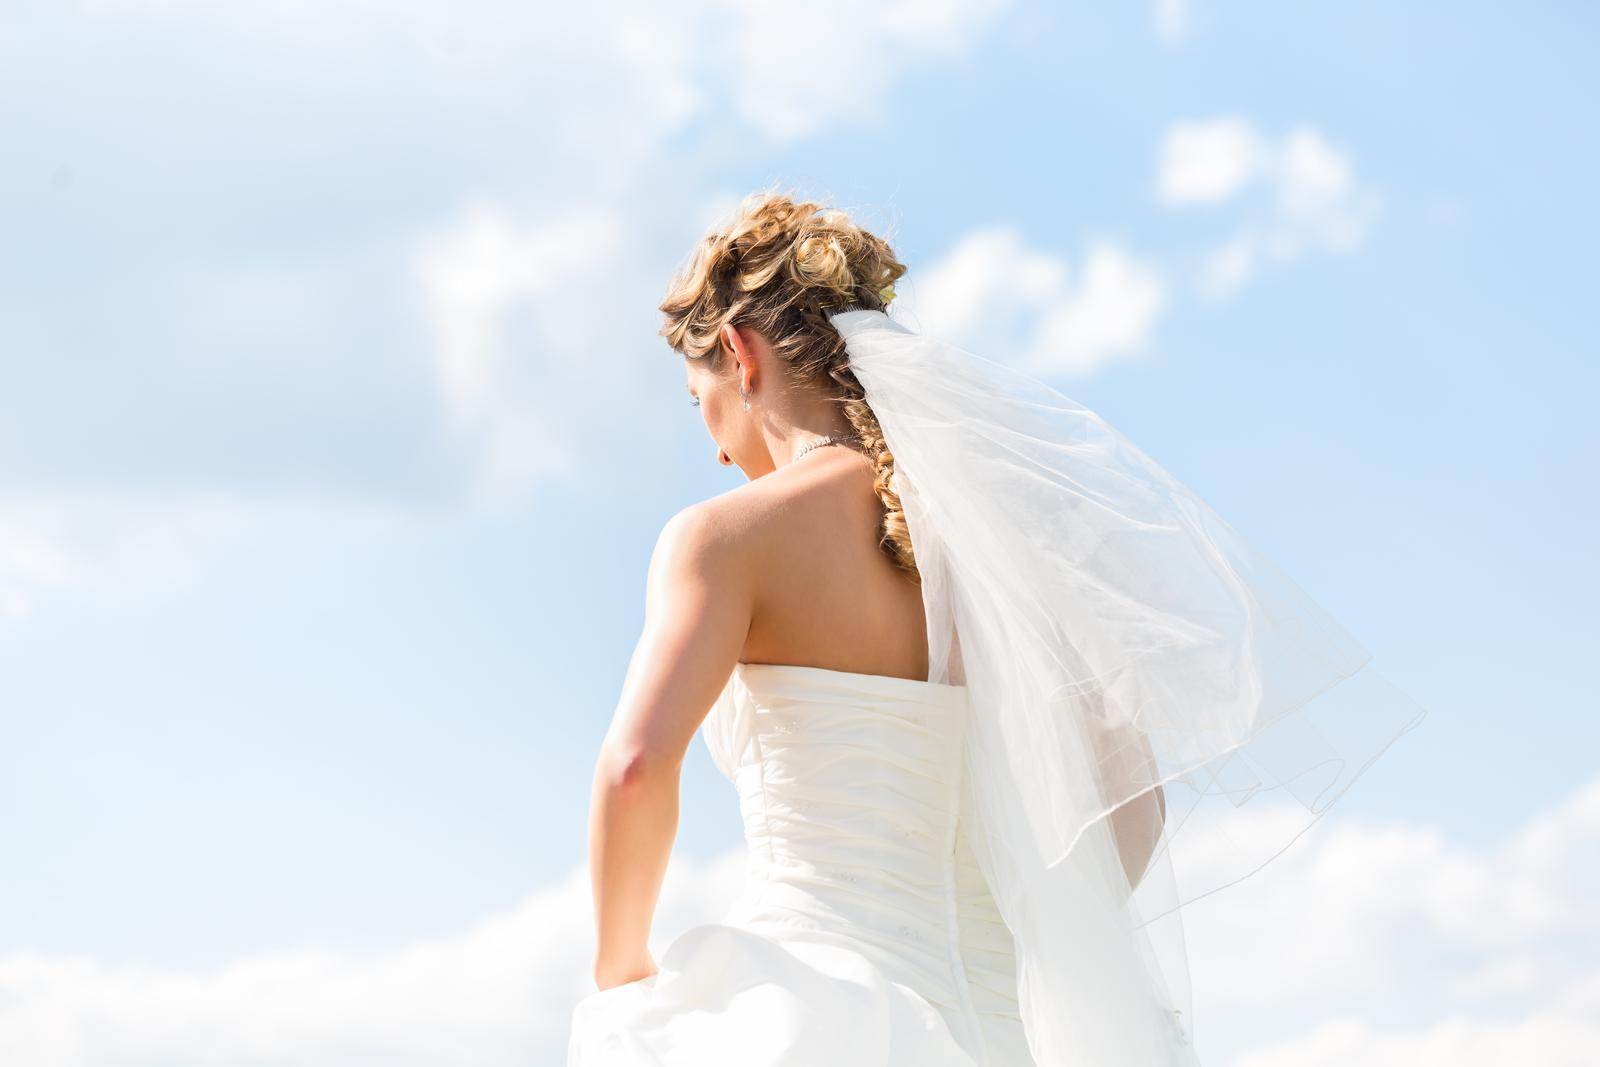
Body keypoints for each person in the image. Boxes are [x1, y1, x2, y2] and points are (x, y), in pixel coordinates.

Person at [568, 190, 1427, 1066]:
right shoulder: (1001, 549)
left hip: (815, 1015)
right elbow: (1132, 804)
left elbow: (636, 766)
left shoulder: (724, 539)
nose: (714, 446)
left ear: (742, 357)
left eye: (697, 397)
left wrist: (620, 972)